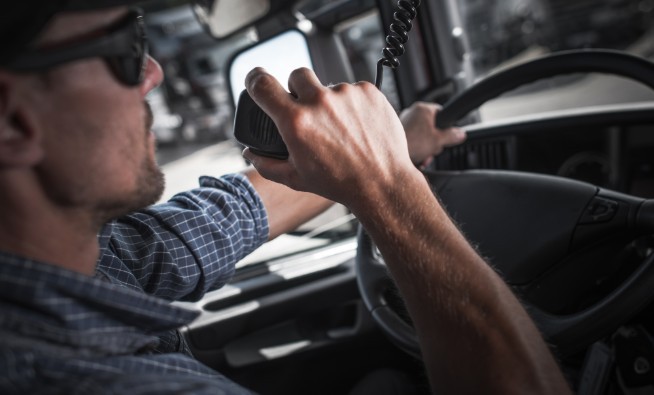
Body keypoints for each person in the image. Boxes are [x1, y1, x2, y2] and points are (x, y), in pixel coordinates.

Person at [0, 1, 472, 394]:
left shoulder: (90, 258)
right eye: (126, 48)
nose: (155, 74)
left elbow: (223, 219)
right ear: (11, 119)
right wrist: (390, 186)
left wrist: (387, 151)